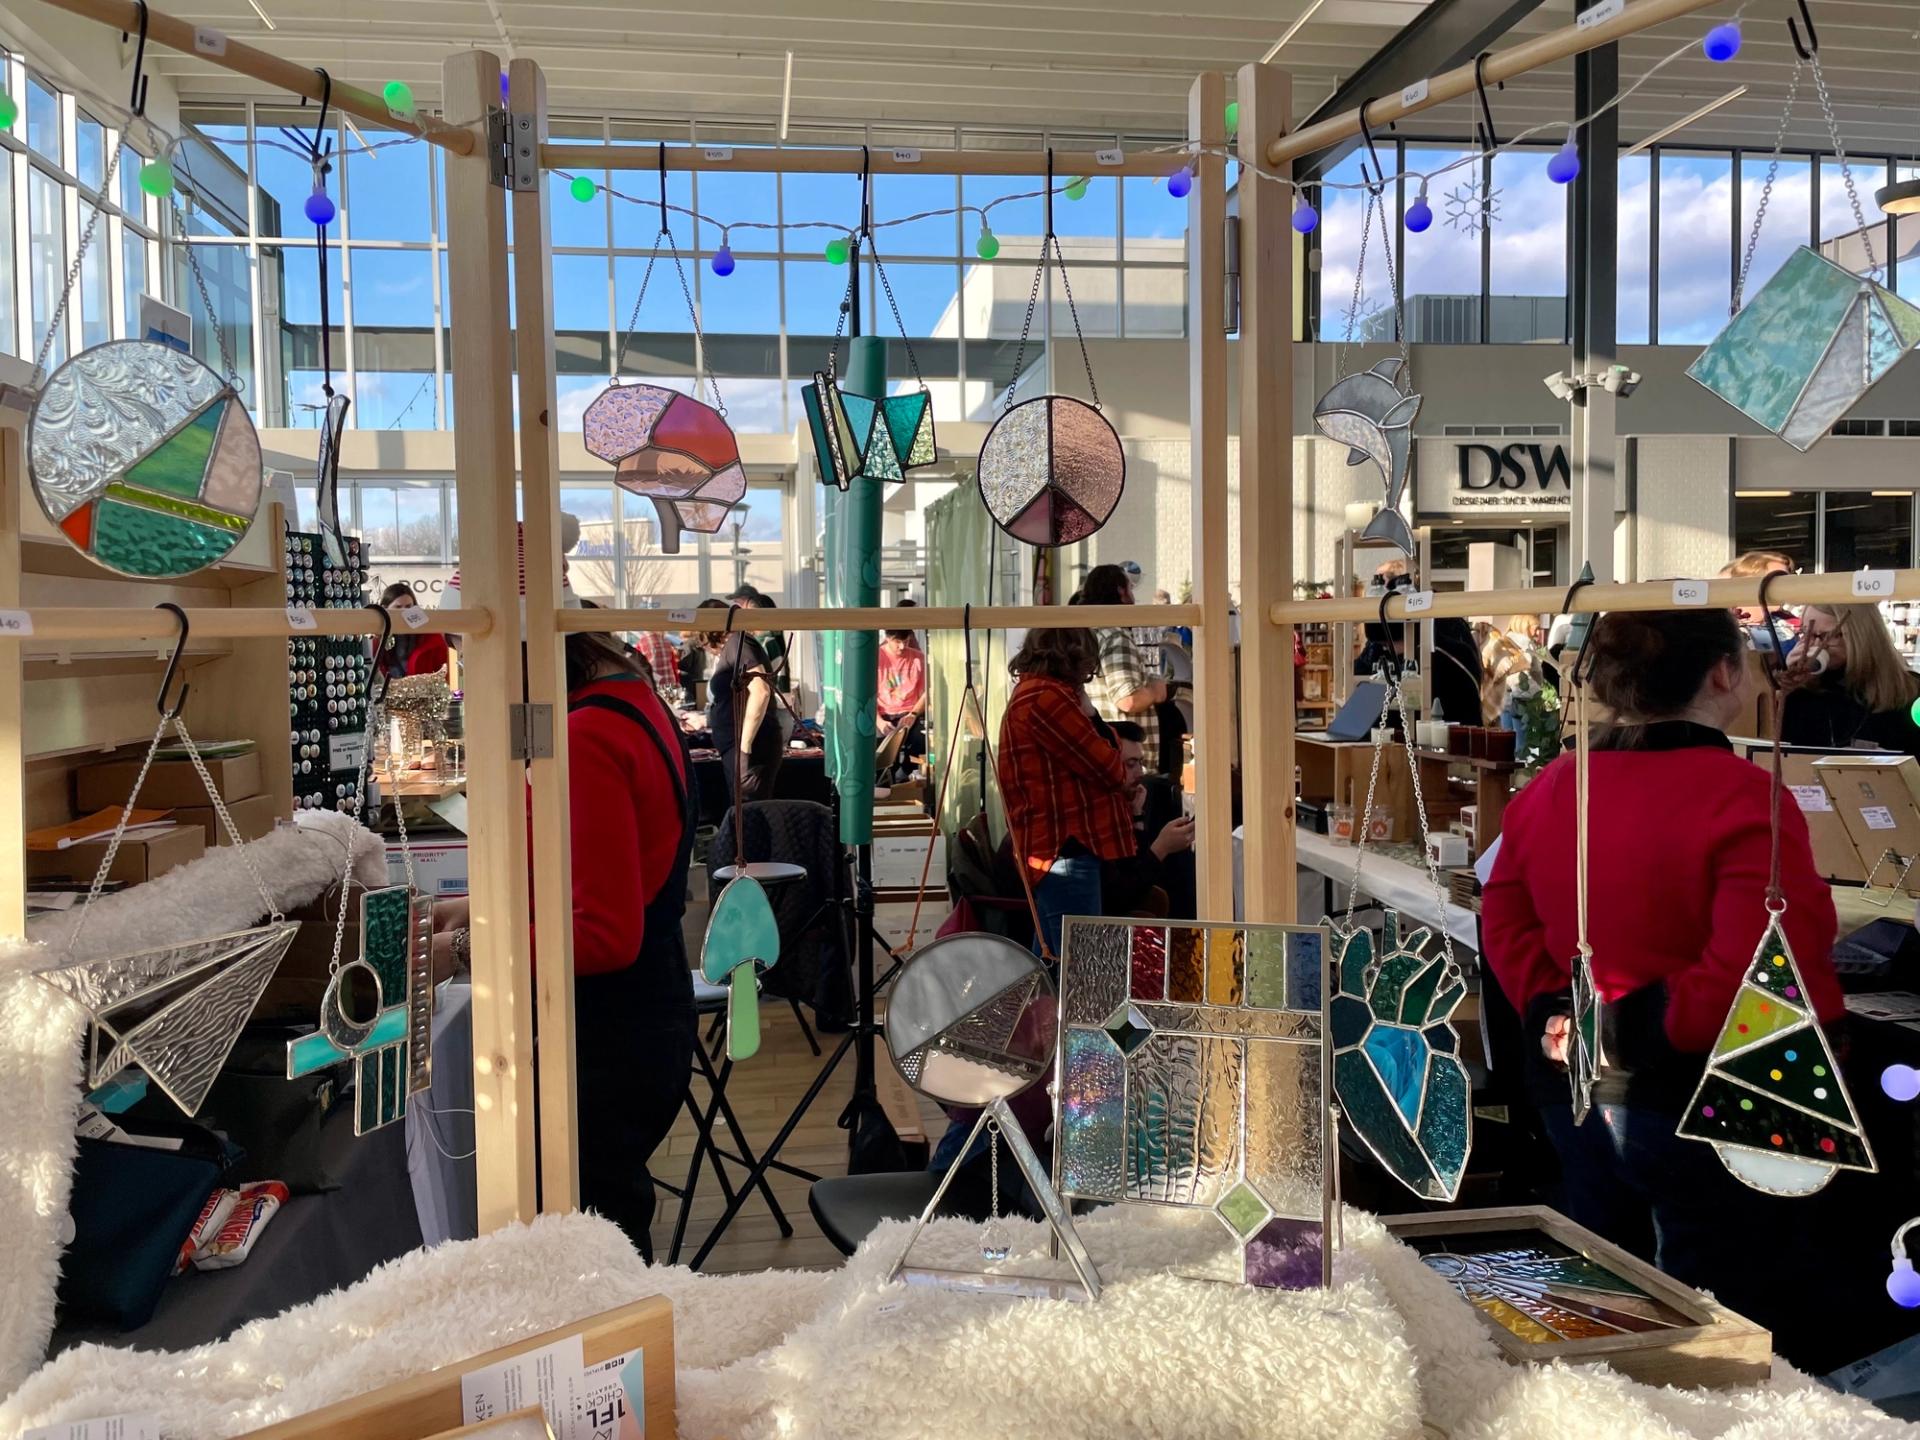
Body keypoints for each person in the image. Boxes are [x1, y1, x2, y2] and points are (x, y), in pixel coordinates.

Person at [1481, 606, 1843, 1345]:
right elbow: (1769, 963)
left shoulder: (1554, 784)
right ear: (1724, 673)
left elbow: (1504, 914)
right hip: (1702, 1095)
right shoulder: (1741, 794)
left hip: (1576, 1081)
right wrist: (1639, 1027)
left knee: (1602, 1310)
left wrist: (1559, 1012)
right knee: (1718, 1330)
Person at [432, 629, 695, 1261]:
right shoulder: (633, 700)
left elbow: (604, 935)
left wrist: (466, 946)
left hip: (607, 1032)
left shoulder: (585, 736)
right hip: (641, 1015)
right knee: (604, 1230)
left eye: (473, 656)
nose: (471, 679)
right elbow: (594, 875)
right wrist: (477, 910)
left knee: (596, 1244)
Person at [997, 627, 1136, 957]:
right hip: (1065, 848)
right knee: (1080, 966)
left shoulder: (1033, 693)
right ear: (1075, 656)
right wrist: (1093, 716)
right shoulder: (1048, 699)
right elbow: (1111, 770)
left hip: (1054, 849)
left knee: (1050, 963)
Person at [1779, 602, 1920, 758]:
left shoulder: (1909, 691)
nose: (1816, 645)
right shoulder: (1802, 694)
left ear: (1860, 636)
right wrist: (1786, 687)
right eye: (1807, 633)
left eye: (1829, 636)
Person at [1079, 563, 1173, 776]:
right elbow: (1128, 699)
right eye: (1130, 587)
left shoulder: (1087, 634)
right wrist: (1156, 690)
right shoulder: (1116, 637)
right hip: (1128, 761)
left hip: (1104, 754)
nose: (1133, 596)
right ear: (1120, 591)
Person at [1103, 719, 1196, 918]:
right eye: (1130, 764)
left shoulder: (1132, 803)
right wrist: (1161, 848)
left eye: (1141, 763)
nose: (1140, 772)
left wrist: (1137, 815)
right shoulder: (1097, 817)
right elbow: (1121, 894)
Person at [695, 597, 783, 800]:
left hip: (750, 749)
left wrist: (744, 746)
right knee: (744, 810)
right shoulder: (735, 646)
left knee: (749, 810)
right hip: (740, 748)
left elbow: (760, 691)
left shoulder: (737, 643)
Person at [877, 615, 928, 761]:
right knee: (879, 752)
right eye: (898, 642)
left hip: (910, 713)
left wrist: (913, 714)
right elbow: (866, 696)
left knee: (921, 741)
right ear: (887, 638)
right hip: (883, 714)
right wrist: (879, 721)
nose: (902, 647)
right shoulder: (876, 657)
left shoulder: (918, 658)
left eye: (905, 641)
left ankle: (907, 772)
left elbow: (926, 693)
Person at [375, 581, 449, 679]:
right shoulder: (375, 640)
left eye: (408, 606)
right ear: (385, 609)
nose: (404, 611)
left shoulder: (430, 637)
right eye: (398, 607)